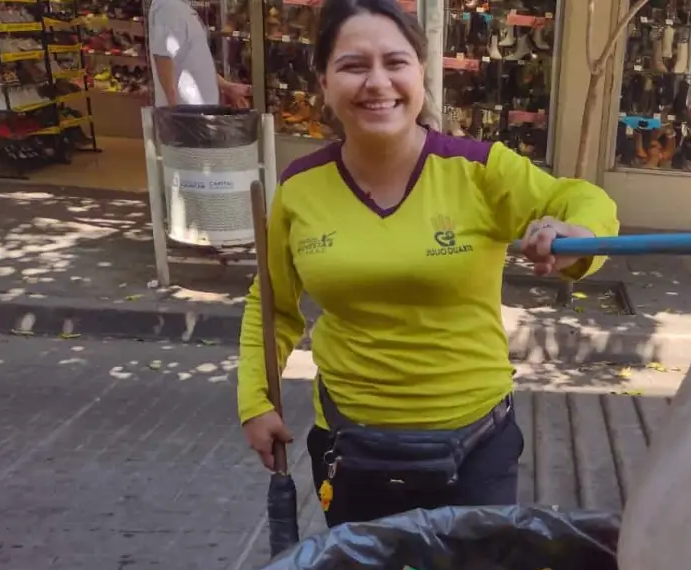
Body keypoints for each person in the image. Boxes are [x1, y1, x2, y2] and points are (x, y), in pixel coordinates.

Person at [236, 0, 619, 528]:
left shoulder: (480, 170)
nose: (377, 82)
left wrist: (576, 235)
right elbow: (273, 302)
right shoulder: (299, 187)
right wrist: (256, 400)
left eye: (395, 62)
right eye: (353, 66)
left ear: (421, 74)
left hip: (475, 451)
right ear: (323, 81)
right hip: (352, 450)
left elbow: (583, 199)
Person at [149, 0, 250, 107]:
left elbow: (191, 63)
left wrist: (226, 86)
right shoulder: (169, 8)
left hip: (197, 115)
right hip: (187, 117)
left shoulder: (181, 9)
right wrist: (175, 113)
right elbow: (163, 59)